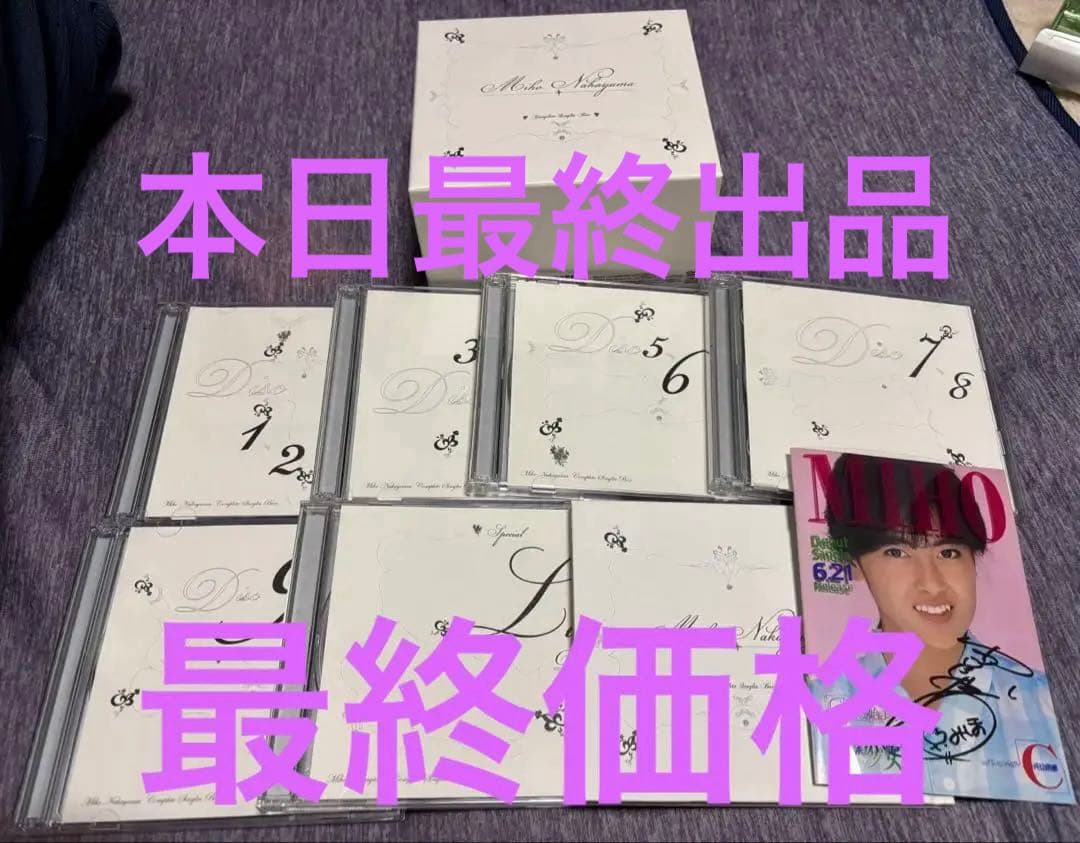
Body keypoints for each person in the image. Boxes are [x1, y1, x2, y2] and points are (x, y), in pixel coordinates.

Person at [807, 453, 1074, 803]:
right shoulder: (818, 704)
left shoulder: (1041, 702)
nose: (931, 584)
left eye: (948, 552)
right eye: (896, 552)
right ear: (855, 563)